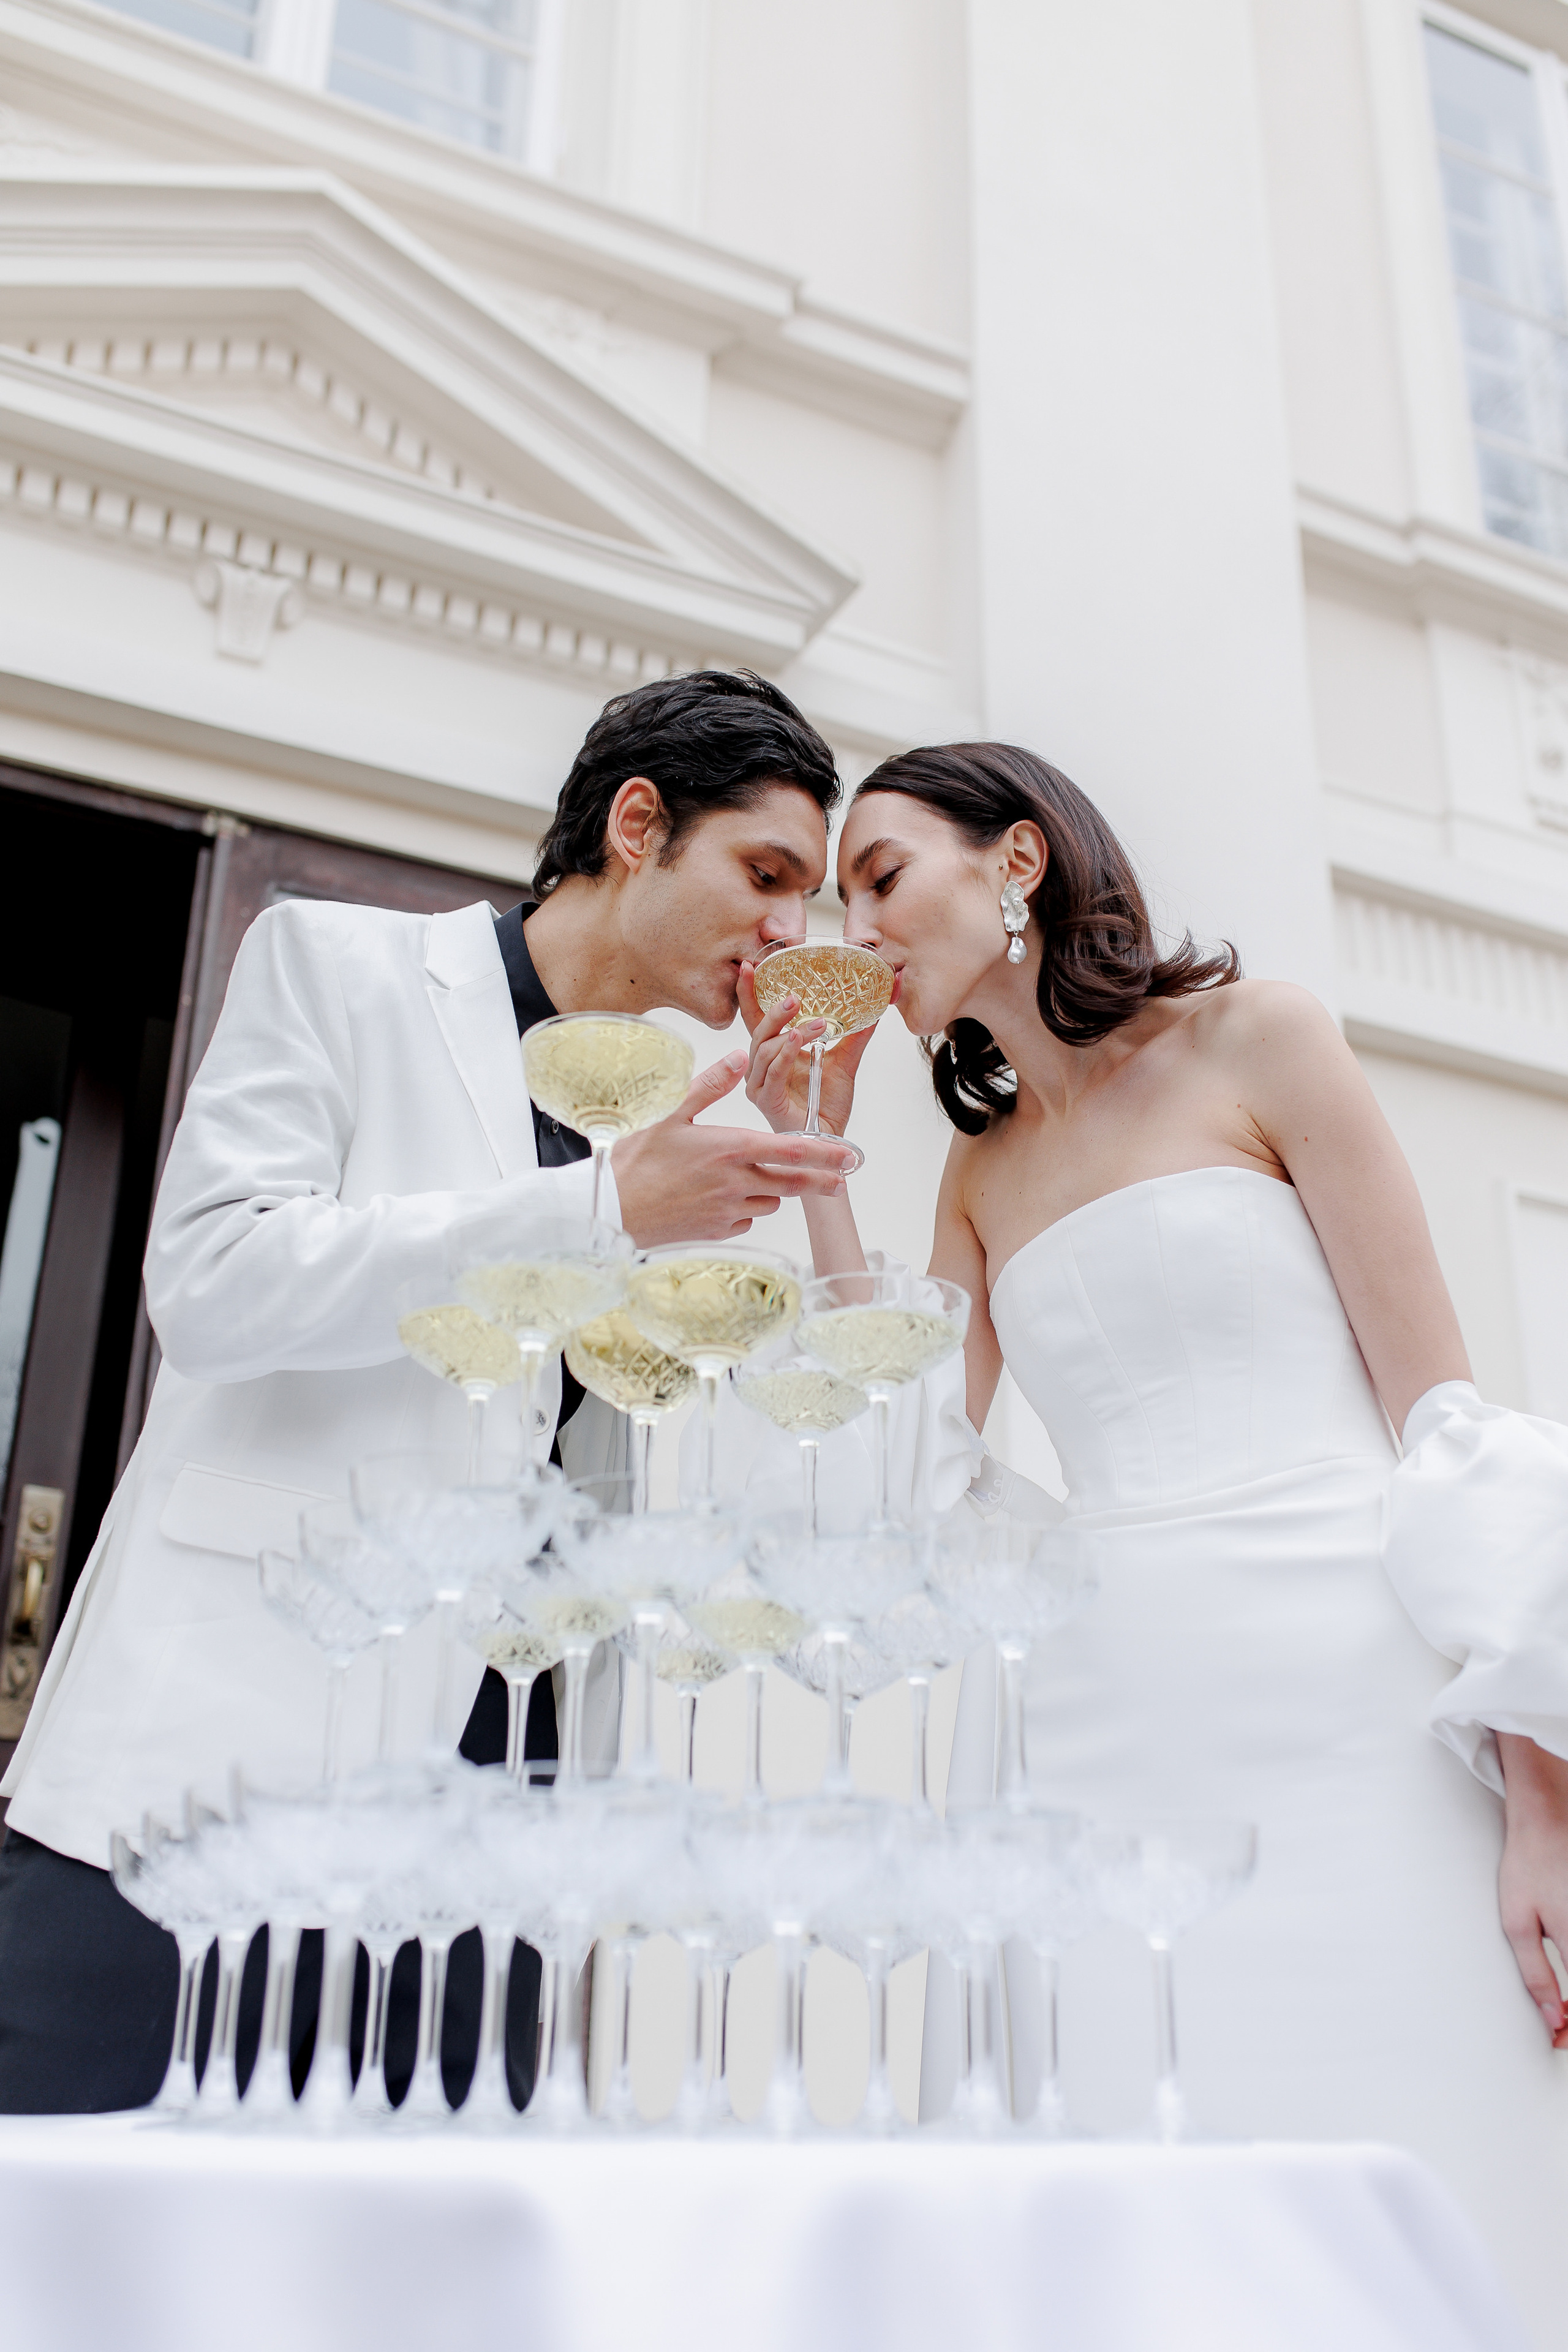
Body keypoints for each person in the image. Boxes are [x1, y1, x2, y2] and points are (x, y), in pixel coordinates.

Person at [736, 741, 1568, 2348]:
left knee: (1431, 2131)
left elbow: (1444, 1429)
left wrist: (1541, 1799)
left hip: (1357, 1695)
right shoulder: (978, 1172)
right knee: (1141, 2165)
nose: (857, 930)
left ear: (1018, 863)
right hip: (1099, 1727)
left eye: (881, 878)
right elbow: (911, 1479)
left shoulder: (1262, 1039)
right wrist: (819, 1166)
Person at [0, 668, 856, 2114]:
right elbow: (211, 1285)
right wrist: (593, 1211)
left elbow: (778, 1446)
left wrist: (808, 1156)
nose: (789, 931)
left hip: (496, 1820)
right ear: (636, 826)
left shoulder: (682, 1123)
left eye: (806, 898)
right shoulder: (336, 968)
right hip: (222, 1756)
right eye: (764, 875)